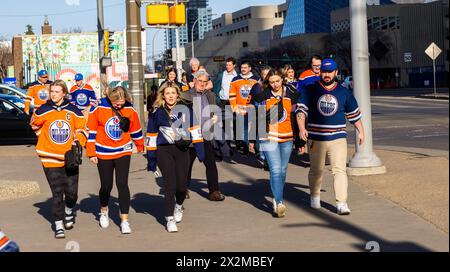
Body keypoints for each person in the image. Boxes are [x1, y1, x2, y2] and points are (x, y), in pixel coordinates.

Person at [296, 59, 364, 215]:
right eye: (324, 72)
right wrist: (301, 128)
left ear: (336, 72)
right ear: (320, 72)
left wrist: (361, 131)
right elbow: (301, 111)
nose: (326, 74)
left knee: (339, 170)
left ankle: (342, 203)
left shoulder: (344, 92)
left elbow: (354, 115)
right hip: (316, 137)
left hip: (337, 137)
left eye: (330, 71)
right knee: (316, 170)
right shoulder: (310, 89)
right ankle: (314, 196)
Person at [30, 80, 88, 239]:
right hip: (50, 158)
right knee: (57, 193)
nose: (53, 94)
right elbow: (34, 125)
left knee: (72, 194)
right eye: (52, 91)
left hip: (69, 157)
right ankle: (58, 224)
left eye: (56, 92)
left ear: (64, 93)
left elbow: (82, 128)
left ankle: (69, 211)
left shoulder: (74, 110)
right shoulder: (43, 109)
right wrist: (43, 137)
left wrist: (77, 141)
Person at [146, 82, 205, 232]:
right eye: (167, 93)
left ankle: (178, 205)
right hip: (163, 150)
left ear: (177, 94)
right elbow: (151, 136)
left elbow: (195, 129)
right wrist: (151, 159)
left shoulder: (186, 109)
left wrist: (200, 150)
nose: (170, 96)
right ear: (163, 95)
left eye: (173, 93)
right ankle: (169, 218)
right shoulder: (156, 112)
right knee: (169, 184)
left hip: (182, 149)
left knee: (181, 186)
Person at [86, 86, 144, 234]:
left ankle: (124, 220)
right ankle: (103, 210)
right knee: (106, 186)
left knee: (122, 183)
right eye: (116, 103)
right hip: (103, 151)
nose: (119, 106)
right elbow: (91, 131)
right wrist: (91, 152)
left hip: (123, 150)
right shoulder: (98, 107)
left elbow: (135, 129)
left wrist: (140, 145)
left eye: (121, 103)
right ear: (110, 98)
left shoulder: (130, 109)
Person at [249, 69, 299, 218]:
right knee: (276, 170)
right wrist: (252, 139)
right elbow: (254, 117)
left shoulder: (291, 93)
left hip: (287, 137)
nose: (275, 84)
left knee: (282, 171)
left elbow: (297, 115)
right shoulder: (262, 97)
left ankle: (276, 193)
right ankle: (279, 202)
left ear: (282, 79)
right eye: (271, 82)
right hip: (268, 137)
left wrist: (300, 138)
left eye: (277, 81)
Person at [182, 70, 226, 202]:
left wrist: (216, 118)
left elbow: (214, 110)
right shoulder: (185, 95)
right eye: (200, 81)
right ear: (194, 81)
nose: (202, 84)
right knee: (186, 165)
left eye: (204, 82)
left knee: (210, 163)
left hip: (206, 134)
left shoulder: (210, 95)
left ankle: (214, 191)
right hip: (190, 136)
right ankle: (183, 190)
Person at [229, 61, 259, 156]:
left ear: (250, 68)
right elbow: (232, 95)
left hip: (253, 108)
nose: (243, 69)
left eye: (245, 67)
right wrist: (234, 107)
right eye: (242, 67)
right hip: (240, 109)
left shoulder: (256, 79)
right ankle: (245, 148)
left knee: (255, 129)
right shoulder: (235, 79)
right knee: (242, 130)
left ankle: (257, 149)